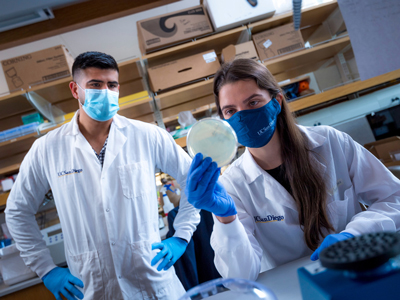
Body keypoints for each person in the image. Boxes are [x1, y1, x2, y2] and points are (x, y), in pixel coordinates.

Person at [5, 51, 200, 300]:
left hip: (153, 283)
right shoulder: (47, 149)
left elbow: (194, 181)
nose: (106, 92)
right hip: (93, 287)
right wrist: (46, 269)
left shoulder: (148, 135)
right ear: (75, 90)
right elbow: (17, 211)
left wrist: (181, 236)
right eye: (95, 85)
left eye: (112, 85)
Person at [185, 58, 400, 281]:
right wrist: (225, 218)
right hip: (297, 289)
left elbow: (394, 197)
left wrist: (354, 235)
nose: (242, 116)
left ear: (277, 101)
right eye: (230, 111)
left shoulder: (330, 142)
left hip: (361, 269)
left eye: (253, 103)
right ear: (223, 121)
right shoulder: (232, 184)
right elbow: (241, 275)